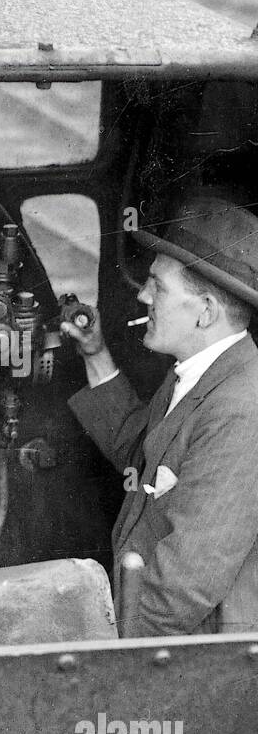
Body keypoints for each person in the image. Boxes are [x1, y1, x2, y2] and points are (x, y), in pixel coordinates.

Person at [64, 195, 258, 637]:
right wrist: (95, 354)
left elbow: (184, 587)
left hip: (197, 659)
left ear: (205, 311)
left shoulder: (241, 410)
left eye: (158, 286)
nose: (142, 295)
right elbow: (144, 453)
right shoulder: (194, 374)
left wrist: (114, 657)